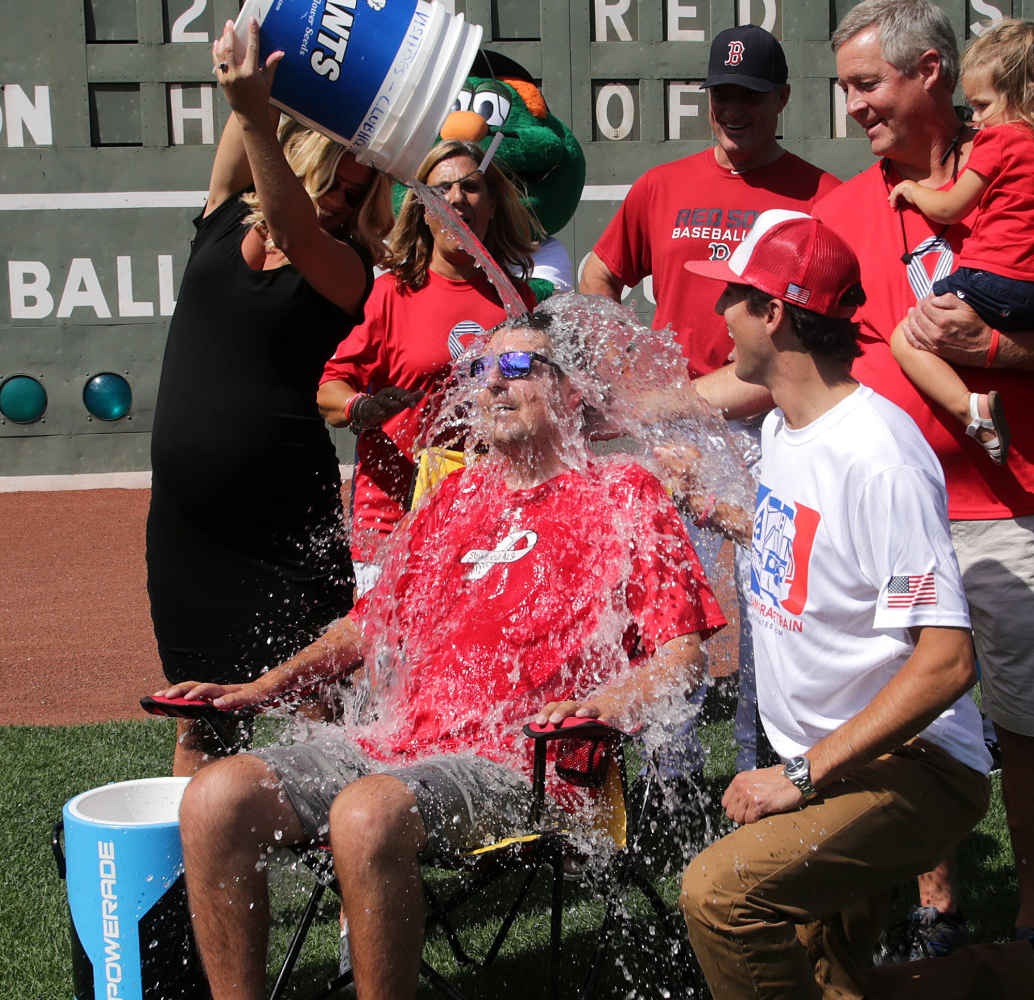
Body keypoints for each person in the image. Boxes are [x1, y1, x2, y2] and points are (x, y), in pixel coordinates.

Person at [159, 309, 726, 1000]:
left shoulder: (622, 495)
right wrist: (260, 687)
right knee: (217, 797)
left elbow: (682, 657)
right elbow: (365, 627)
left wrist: (603, 705)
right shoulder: (454, 495)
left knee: (367, 814)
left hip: (525, 764)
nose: (492, 385)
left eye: (517, 368)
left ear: (572, 390)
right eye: (482, 370)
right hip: (396, 744)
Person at [666, 208, 1034, 1000]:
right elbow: (818, 549)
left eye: (733, 294)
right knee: (831, 986)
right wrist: (721, 510)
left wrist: (799, 776)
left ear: (773, 313)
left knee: (721, 895)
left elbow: (947, 663)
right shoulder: (785, 428)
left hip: (915, 768)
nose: (718, 312)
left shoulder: (877, 454)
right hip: (840, 759)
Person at [805, 0, 1034, 954]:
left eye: (870, 85)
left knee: (1027, 727)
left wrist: (997, 349)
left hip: (1018, 505)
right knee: (905, 725)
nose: (856, 108)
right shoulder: (839, 208)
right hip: (890, 518)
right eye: (848, 89)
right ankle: (934, 906)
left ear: (934, 74)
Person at [580, 24, 842, 773]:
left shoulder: (820, 194)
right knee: (671, 615)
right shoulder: (662, 185)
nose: (734, 109)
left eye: (751, 96)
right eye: (722, 94)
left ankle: (770, 762)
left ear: (782, 99)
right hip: (678, 434)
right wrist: (626, 366)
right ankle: (673, 777)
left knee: (773, 613)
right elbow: (600, 274)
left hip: (773, 428)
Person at [147, 18, 392, 776]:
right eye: (337, 179)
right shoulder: (224, 213)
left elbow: (288, 211)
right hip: (188, 530)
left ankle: (351, 876)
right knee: (199, 718)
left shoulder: (348, 266)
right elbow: (255, 87)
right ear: (304, 154)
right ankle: (199, 888)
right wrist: (282, 44)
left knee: (321, 713)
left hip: (285, 526)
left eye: (359, 194)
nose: (342, 200)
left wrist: (255, 110)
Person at [884, 18, 1034, 486]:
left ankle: (973, 411)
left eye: (984, 105)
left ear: (1023, 93)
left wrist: (912, 190)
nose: (978, 119)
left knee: (907, 337)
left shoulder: (999, 140)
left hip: (995, 282)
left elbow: (950, 207)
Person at [317, 141, 539, 592]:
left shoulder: (518, 301)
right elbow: (329, 389)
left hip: (486, 520)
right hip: (392, 524)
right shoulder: (390, 294)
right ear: (421, 209)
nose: (457, 199)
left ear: (492, 204)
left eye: (471, 187)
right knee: (394, 660)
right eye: (441, 190)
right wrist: (364, 409)